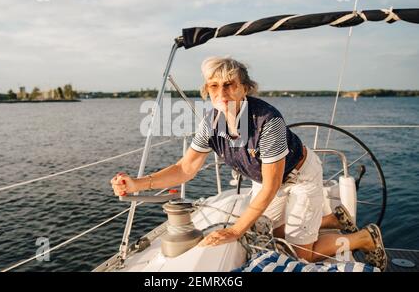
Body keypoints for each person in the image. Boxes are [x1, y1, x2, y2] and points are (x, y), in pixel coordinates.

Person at [111, 56, 387, 271]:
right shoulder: (211, 122)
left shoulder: (268, 122)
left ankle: (365, 237)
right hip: (265, 180)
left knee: (299, 252)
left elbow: (271, 186)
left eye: (230, 84)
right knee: (270, 233)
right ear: (207, 90)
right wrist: (137, 183)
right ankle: (333, 219)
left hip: (299, 176)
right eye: (214, 85)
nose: (222, 92)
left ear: (245, 87)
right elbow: (186, 168)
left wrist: (234, 230)